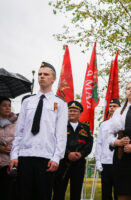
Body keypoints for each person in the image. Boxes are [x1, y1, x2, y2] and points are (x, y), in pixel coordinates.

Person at [10, 62, 68, 200]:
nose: (42, 77)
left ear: (53, 79)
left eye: (46, 74)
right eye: (40, 74)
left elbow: (60, 134)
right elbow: (19, 131)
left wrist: (56, 158)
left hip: (46, 157)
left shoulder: (60, 103)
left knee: (43, 195)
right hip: (25, 156)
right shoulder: (27, 102)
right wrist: (14, 155)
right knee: (23, 195)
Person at [52, 100, 93, 200]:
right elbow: (55, 142)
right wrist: (68, 154)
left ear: (80, 113)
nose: (72, 113)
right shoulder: (60, 125)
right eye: (70, 110)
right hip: (62, 163)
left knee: (76, 192)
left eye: (75, 111)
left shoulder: (86, 128)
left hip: (79, 163)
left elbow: (89, 144)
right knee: (58, 191)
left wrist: (81, 154)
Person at [95, 98, 121, 200]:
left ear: (119, 108)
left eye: (114, 106)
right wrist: (98, 160)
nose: (111, 108)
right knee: (106, 192)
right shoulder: (104, 124)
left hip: (118, 162)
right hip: (105, 162)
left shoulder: (123, 123)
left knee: (119, 192)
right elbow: (99, 143)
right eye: (110, 106)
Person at [0, 97, 17, 200]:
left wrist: (13, 147)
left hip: (9, 163)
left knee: (8, 192)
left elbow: (21, 139)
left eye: (9, 105)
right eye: (4, 105)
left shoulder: (17, 122)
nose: (7, 108)